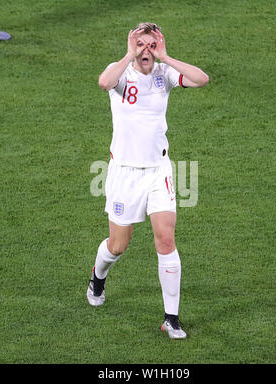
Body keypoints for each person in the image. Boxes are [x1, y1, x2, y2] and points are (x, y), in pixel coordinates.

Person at [87, 22, 209, 339]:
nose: (145, 50)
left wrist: (166, 58)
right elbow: (103, 82)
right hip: (124, 173)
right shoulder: (121, 73)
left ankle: (172, 318)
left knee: (166, 239)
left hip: (158, 171)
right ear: (132, 47)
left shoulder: (164, 74)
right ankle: (98, 275)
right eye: (140, 44)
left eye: (150, 44)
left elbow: (201, 79)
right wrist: (128, 55)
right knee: (118, 244)